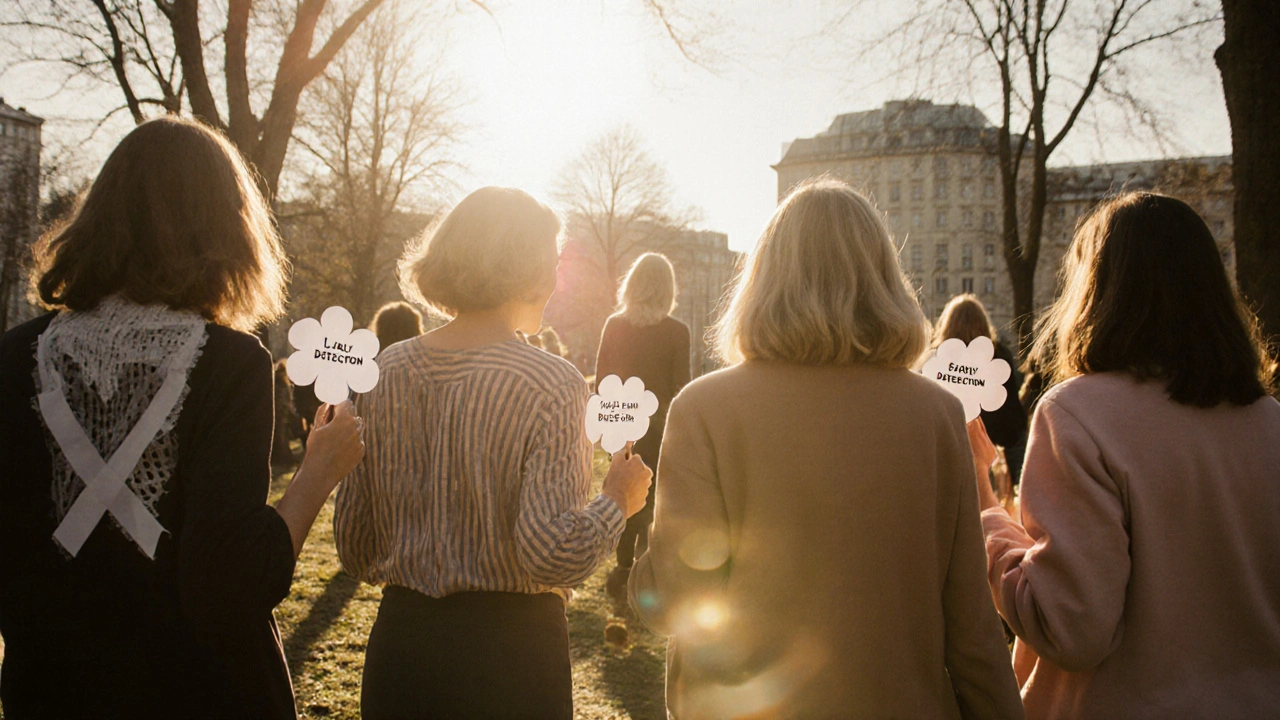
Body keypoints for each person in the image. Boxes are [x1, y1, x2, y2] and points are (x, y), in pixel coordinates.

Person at [0, 116, 365, 719]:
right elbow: (228, 587)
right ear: (226, 231)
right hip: (201, 692)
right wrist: (317, 474)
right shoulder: (229, 363)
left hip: (50, 693)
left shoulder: (13, 357)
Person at [628, 178, 1024, 719]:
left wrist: (638, 566)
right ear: (884, 278)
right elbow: (972, 624)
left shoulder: (705, 409)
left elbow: (676, 600)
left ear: (763, 278)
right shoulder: (936, 415)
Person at [333, 186, 652, 719]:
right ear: (527, 271)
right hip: (510, 661)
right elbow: (551, 555)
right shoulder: (552, 383)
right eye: (551, 263)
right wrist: (616, 501)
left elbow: (356, 545)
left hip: (402, 652)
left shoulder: (382, 372)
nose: (555, 280)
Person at [970, 192, 1280, 719]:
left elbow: (1070, 627)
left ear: (1097, 291)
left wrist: (987, 520)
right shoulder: (1270, 422)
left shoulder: (1077, 414)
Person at [594, 252, 691, 600]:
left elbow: (603, 380)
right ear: (668, 290)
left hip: (622, 428)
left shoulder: (614, 326)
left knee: (622, 497)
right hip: (661, 430)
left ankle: (621, 573)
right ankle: (643, 572)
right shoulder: (678, 333)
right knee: (652, 503)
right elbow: (682, 391)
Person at [932, 294, 1027, 484]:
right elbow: (1013, 422)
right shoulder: (998, 358)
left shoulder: (936, 361)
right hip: (987, 459)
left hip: (945, 460)